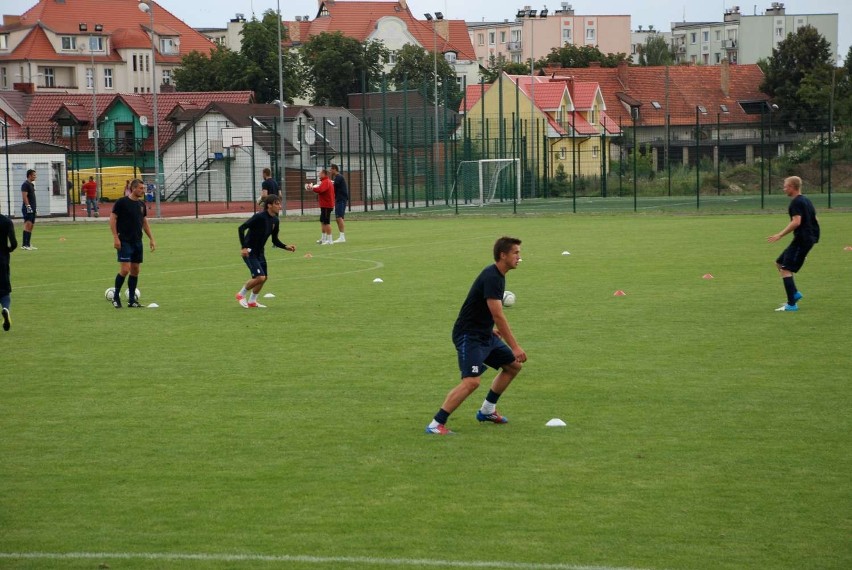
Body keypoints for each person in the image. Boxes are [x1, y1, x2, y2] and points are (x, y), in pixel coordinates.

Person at [426, 236, 527, 435]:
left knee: (513, 366)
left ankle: (487, 410)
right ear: (503, 255)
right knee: (472, 381)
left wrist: (488, 330)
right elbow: (497, 314)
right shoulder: (491, 276)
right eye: (516, 253)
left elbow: (482, 309)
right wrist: (514, 346)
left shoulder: (499, 275)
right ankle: (436, 424)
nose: (519, 257)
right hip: (469, 336)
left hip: (483, 334)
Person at [767, 175, 820, 312]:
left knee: (785, 269)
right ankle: (794, 293)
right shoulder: (806, 200)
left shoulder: (796, 202)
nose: (784, 189)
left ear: (791, 187)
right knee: (780, 263)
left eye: (785, 186)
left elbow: (796, 222)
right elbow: (816, 220)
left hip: (802, 240)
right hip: (804, 240)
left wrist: (779, 234)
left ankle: (792, 304)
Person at [235, 194, 296, 308]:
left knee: (264, 278)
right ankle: (241, 294)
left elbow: (274, 240)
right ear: (269, 205)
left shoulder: (275, 220)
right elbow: (241, 228)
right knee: (260, 277)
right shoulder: (259, 217)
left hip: (260, 252)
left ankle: (252, 301)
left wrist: (285, 246)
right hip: (249, 251)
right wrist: (243, 247)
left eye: (279, 203)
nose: (279, 206)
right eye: (277, 204)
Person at [109, 179, 156, 308]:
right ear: (133, 188)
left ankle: (131, 301)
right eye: (141, 188)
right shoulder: (122, 202)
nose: (143, 191)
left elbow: (144, 222)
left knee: (135, 270)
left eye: (143, 188)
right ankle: (116, 297)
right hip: (124, 240)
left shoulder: (141, 204)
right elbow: (112, 219)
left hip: (137, 241)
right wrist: (115, 238)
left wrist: (151, 238)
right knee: (125, 269)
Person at [306, 169, 335, 245]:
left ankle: (330, 240)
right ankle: (323, 239)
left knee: (326, 222)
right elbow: (320, 189)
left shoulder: (326, 182)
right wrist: (312, 187)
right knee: (322, 221)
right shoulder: (324, 182)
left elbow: (320, 189)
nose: (319, 175)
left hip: (327, 205)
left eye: (320, 173)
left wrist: (312, 188)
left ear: (324, 174)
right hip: (324, 205)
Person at [0, 212, 17, 331]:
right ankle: (5, 308)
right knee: (4, 291)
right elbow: (14, 243)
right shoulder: (6, 221)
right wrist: (9, 249)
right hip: (2, 260)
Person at [329, 163, 348, 243]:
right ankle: (341, 236)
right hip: (339, 199)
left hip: (341, 199)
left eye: (331, 169)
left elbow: (332, 184)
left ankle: (342, 237)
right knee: (339, 218)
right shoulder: (337, 178)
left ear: (334, 169)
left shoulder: (339, 177)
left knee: (339, 217)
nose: (330, 171)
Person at [20, 169, 37, 250]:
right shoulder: (25, 184)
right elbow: (24, 196)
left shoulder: (31, 185)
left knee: (31, 226)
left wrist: (34, 207)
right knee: (28, 225)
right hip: (28, 208)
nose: (35, 176)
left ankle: (28, 244)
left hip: (33, 208)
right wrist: (28, 206)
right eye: (34, 175)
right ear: (29, 175)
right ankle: (24, 244)